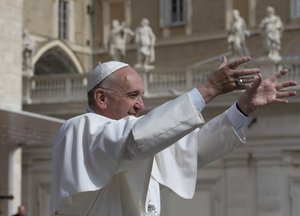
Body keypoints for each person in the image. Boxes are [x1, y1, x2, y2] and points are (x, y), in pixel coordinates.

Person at [50, 56, 297, 215]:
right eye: (133, 95)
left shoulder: (134, 136)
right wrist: (208, 89)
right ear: (101, 98)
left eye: (142, 96)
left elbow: (192, 149)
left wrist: (242, 108)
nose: (140, 105)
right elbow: (138, 138)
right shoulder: (79, 129)